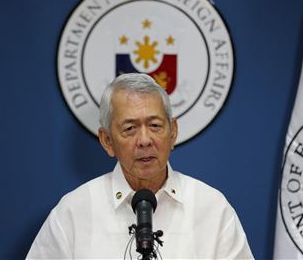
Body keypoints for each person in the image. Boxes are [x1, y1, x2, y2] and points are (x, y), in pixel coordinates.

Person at [27, 73, 254, 259]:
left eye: (155, 125)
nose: (145, 140)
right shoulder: (73, 213)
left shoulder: (212, 209)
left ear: (173, 132)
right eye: (130, 129)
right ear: (107, 141)